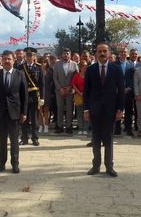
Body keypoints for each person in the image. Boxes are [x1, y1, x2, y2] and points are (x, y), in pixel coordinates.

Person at [83, 43, 124, 177]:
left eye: (104, 51)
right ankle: (95, 166)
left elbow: (121, 91)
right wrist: (86, 109)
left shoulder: (116, 69)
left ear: (109, 53)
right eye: (99, 51)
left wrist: (120, 109)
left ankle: (109, 166)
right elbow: (86, 92)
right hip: (94, 110)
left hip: (110, 110)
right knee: (95, 138)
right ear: (96, 53)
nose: (102, 53)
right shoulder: (90, 69)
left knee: (109, 139)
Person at [0, 50, 28, 173]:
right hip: (0, 112)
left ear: (13, 60)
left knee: (14, 140)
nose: (6, 61)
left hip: (15, 112)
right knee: (2, 140)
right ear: (1, 60)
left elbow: (24, 95)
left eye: (9, 59)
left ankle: (15, 164)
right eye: (4, 59)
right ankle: (1, 163)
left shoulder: (20, 74)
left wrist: (24, 112)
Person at [20, 47, 43, 146]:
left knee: (34, 119)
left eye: (31, 55)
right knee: (24, 117)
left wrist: (42, 97)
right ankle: (24, 138)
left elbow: (42, 84)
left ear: (34, 57)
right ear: (25, 56)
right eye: (27, 55)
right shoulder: (21, 67)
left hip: (34, 95)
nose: (29, 57)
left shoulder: (38, 67)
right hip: (24, 95)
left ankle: (35, 138)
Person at [53, 48, 77, 134]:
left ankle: (68, 126)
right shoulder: (56, 64)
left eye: (67, 53)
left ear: (70, 55)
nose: (66, 55)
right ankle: (59, 126)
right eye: (64, 53)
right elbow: (55, 78)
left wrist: (70, 87)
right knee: (59, 108)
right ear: (61, 55)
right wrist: (60, 88)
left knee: (69, 109)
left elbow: (76, 77)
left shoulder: (75, 64)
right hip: (59, 91)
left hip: (70, 90)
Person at [72, 59, 88, 135]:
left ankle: (85, 128)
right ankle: (80, 128)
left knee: (86, 113)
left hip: (87, 96)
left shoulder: (89, 75)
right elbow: (73, 85)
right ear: (80, 67)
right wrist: (79, 93)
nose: (85, 67)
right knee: (79, 113)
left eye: (86, 66)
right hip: (78, 96)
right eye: (83, 66)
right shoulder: (77, 75)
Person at [39, 59, 54, 134]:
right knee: (40, 110)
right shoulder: (38, 71)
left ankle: (46, 125)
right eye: (42, 62)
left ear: (47, 63)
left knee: (46, 110)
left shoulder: (50, 72)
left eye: (44, 62)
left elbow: (52, 82)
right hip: (39, 93)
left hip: (47, 93)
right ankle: (41, 125)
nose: (43, 63)